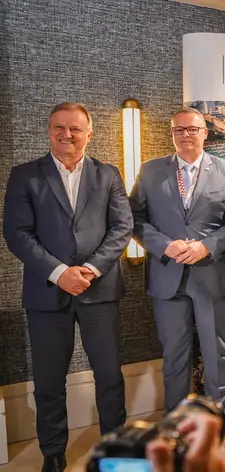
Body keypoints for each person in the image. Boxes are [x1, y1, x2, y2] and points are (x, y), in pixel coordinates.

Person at [3, 102, 133, 472]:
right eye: (58, 127)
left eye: (75, 128)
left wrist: (90, 269)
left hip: (99, 289)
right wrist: (60, 272)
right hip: (46, 293)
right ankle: (53, 452)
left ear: (89, 133)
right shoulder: (25, 175)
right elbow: (17, 233)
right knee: (48, 380)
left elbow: (122, 227)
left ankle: (115, 449)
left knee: (109, 375)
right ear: (49, 131)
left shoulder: (108, 174)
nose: (66, 134)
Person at [129, 107, 225, 446]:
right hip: (168, 277)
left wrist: (207, 246)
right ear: (172, 133)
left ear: (205, 132)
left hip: (213, 276)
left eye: (192, 129)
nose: (185, 135)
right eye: (179, 130)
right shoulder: (150, 171)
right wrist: (165, 245)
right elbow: (134, 219)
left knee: (217, 355)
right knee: (174, 356)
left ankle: (220, 421)